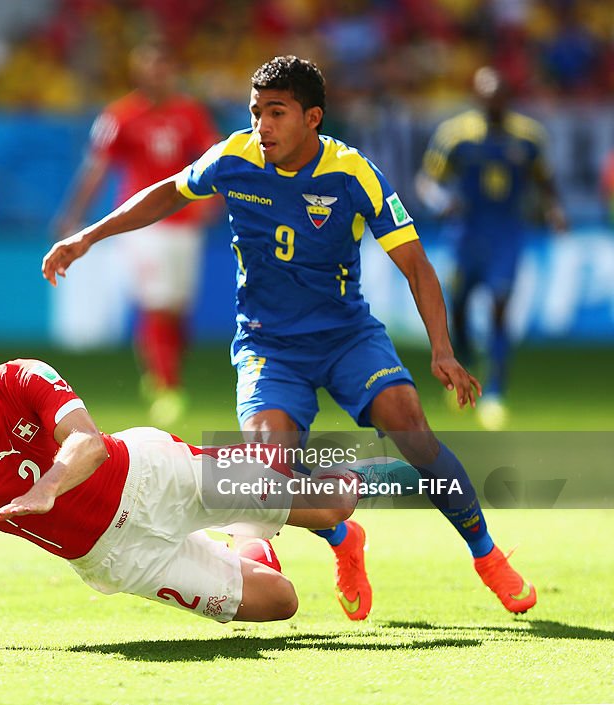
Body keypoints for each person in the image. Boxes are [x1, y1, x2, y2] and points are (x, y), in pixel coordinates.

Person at [43, 55, 536, 620]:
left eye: (276, 113)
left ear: (313, 118)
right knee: (267, 471)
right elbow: (168, 192)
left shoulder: (353, 173)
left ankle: (487, 555)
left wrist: (443, 352)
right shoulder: (234, 157)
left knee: (411, 428)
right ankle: (342, 535)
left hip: (347, 336)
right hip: (269, 346)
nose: (262, 127)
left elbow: (418, 267)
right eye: (256, 113)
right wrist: (88, 235)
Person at [0, 309, 415, 653]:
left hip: (154, 476)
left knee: (332, 508)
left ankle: (381, 466)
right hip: (121, 559)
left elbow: (88, 442)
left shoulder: (24, 376)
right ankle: (248, 528)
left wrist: (47, 486)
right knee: (281, 604)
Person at [53, 40, 220, 426]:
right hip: (142, 226)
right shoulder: (121, 115)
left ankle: (164, 371)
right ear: (139, 72)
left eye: (163, 67)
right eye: (151, 67)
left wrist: (213, 200)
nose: (158, 74)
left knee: (178, 310)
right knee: (157, 304)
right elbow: (96, 169)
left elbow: (212, 159)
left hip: (184, 223)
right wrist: (73, 214)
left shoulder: (190, 113)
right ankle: (165, 385)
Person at [416, 66, 567, 430]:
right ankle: (461, 374)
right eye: (487, 96)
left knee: (501, 307)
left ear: (508, 99)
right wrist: (440, 202)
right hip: (466, 235)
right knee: (462, 312)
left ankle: (496, 392)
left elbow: (545, 181)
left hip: (506, 235)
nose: (493, 102)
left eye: (499, 96)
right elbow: (427, 180)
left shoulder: (528, 138)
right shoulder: (456, 136)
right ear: (477, 98)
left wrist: (554, 210)